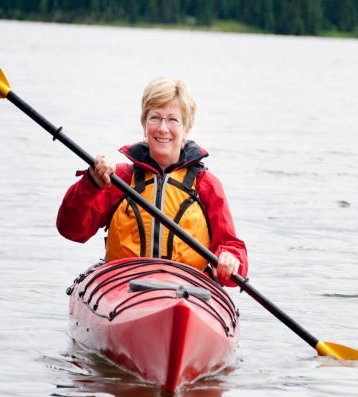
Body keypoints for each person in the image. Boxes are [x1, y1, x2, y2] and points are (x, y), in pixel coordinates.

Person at [56, 77, 247, 286]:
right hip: (123, 286)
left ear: (186, 129)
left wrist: (230, 257)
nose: (163, 128)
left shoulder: (206, 185)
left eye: (173, 120)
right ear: (144, 124)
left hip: (187, 290)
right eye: (155, 118)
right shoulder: (118, 179)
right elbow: (71, 229)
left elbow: (231, 249)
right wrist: (90, 184)